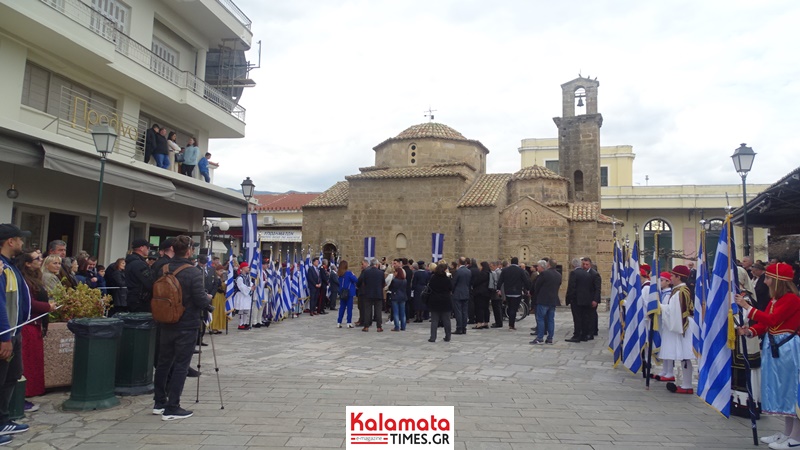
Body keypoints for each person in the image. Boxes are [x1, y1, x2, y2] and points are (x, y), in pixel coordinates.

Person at [735, 262, 800, 449]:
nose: (766, 280)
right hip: (776, 347)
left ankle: (796, 437)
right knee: (782, 391)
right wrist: (750, 331)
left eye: (769, 277)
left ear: (778, 281)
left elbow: (772, 319)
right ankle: (787, 433)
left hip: (789, 348)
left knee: (792, 391)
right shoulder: (776, 300)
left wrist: (747, 306)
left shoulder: (792, 299)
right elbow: (766, 324)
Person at [152, 235, 211, 421]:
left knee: (163, 363)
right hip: (186, 323)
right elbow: (200, 298)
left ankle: (159, 402)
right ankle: (172, 406)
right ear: (189, 251)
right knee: (181, 365)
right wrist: (209, 303)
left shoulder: (163, 268)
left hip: (166, 320)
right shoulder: (193, 272)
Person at [0, 224, 32, 443]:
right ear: (10, 241)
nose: (22, 243)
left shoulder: (10, 265)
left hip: (15, 332)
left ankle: (3, 420)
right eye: (20, 239)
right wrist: (5, 336)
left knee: (12, 376)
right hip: (6, 334)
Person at [16, 250, 55, 413]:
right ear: (27, 263)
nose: (40, 260)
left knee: (34, 360)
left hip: (36, 322)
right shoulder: (24, 280)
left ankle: (31, 392)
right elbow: (29, 302)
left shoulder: (35, 278)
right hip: (28, 323)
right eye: (37, 258)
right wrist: (48, 307)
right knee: (27, 361)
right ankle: (23, 395)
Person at [661, 265, 695, 395]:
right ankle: (685, 384)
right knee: (684, 356)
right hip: (683, 324)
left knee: (685, 355)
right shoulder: (679, 290)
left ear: (678, 277)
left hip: (683, 325)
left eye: (672, 276)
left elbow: (674, 312)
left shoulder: (680, 291)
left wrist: (660, 307)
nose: (670, 278)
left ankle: (687, 385)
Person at [565, 257, 601, 342]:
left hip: (585, 300)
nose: (585, 266)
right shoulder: (585, 273)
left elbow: (597, 288)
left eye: (586, 264)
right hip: (585, 300)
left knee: (587, 317)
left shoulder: (593, 274)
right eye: (583, 264)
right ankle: (584, 334)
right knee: (584, 318)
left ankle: (586, 334)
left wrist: (595, 300)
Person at [531, 259, 562, 344]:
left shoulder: (545, 273)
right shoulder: (558, 275)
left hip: (543, 299)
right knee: (551, 319)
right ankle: (550, 338)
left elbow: (537, 285)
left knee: (540, 319)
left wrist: (536, 294)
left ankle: (540, 337)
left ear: (548, 265)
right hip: (553, 300)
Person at [496, 257, 530, 331]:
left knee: (510, 307)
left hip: (508, 292)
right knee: (514, 309)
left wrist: (498, 289)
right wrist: (528, 289)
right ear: (517, 262)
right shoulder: (520, 270)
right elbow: (525, 280)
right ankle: (511, 325)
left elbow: (500, 280)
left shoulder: (505, 270)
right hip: (517, 292)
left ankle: (511, 324)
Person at [125, 239, 154, 312]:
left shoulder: (132, 261)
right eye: (147, 247)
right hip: (140, 300)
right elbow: (149, 282)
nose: (149, 249)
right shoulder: (139, 264)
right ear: (141, 248)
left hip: (134, 298)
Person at [427, 262, 452, 343]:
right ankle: (448, 336)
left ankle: (433, 337)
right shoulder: (447, 279)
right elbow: (451, 288)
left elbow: (430, 287)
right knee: (446, 320)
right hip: (445, 300)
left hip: (434, 300)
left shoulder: (433, 278)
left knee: (434, 320)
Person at [357, 259, 385, 332]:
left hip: (368, 293)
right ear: (376, 264)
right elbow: (383, 283)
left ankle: (366, 326)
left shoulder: (366, 272)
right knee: (378, 311)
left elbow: (364, 282)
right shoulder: (381, 273)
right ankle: (379, 327)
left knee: (367, 310)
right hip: (378, 293)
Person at [452, 257, 471, 335]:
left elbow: (454, 283)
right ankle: (464, 327)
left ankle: (459, 327)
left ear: (459, 262)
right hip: (466, 292)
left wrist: (452, 291)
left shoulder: (458, 271)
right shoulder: (468, 271)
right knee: (464, 311)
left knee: (458, 311)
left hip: (458, 293)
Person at [234, 262, 255, 330]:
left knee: (246, 309)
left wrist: (253, 286)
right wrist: (249, 289)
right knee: (241, 309)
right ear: (243, 268)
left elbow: (250, 283)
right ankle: (240, 324)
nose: (248, 268)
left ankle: (245, 323)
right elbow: (241, 287)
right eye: (247, 267)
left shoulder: (247, 276)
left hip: (246, 295)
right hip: (241, 295)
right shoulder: (239, 278)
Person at [336, 261, 357, 328]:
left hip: (342, 292)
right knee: (349, 308)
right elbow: (356, 280)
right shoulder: (349, 273)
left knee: (342, 307)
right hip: (349, 292)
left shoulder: (339, 274)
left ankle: (339, 322)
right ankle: (349, 322)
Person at [471, 261, 491, 330]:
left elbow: (476, 282)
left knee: (479, 308)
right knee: (486, 308)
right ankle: (486, 322)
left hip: (480, 293)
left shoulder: (482, 274)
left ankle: (479, 323)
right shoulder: (489, 273)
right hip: (487, 293)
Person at [209, 264, 228, 334]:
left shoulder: (221, 278)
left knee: (220, 311)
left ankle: (218, 327)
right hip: (216, 295)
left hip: (221, 296)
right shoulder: (214, 277)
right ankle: (213, 327)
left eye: (222, 271)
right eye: (220, 271)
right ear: (216, 271)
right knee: (215, 311)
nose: (221, 272)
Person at [389, 266, 407, 331]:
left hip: (395, 296)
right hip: (403, 297)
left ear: (397, 272)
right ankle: (403, 326)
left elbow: (390, 288)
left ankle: (397, 326)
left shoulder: (394, 280)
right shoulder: (405, 280)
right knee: (403, 312)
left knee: (396, 312)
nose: (394, 273)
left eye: (395, 272)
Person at [490, 261, 504, 328]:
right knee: (497, 308)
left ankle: (498, 322)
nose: (491, 268)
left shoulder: (497, 272)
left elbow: (497, 282)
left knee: (497, 308)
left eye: (491, 266)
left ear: (495, 266)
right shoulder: (498, 272)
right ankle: (498, 321)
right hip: (497, 292)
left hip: (497, 293)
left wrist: (497, 290)